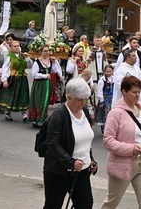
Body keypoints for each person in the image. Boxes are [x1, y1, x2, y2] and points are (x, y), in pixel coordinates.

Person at [100, 75, 141, 209]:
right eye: (134, 92)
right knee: (111, 202)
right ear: (124, 92)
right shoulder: (116, 113)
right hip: (123, 165)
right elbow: (108, 141)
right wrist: (130, 149)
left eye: (139, 92)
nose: (137, 95)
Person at [42, 77, 98, 209]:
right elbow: (53, 144)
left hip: (82, 170)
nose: (83, 103)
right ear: (69, 97)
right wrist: (71, 162)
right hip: (59, 171)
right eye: (79, 100)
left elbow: (85, 139)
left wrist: (91, 160)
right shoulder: (59, 115)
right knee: (53, 206)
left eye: (84, 99)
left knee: (85, 204)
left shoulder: (84, 112)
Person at [0, 40, 33, 122]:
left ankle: (24, 113)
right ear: (11, 48)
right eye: (15, 46)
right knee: (11, 95)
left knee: (23, 95)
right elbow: (5, 68)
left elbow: (30, 66)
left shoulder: (23, 56)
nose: (17, 48)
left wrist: (27, 58)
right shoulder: (10, 57)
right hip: (13, 78)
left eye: (18, 46)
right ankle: (8, 112)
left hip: (22, 79)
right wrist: (4, 80)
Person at [27, 45, 63, 127]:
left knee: (45, 101)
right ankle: (36, 120)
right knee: (38, 101)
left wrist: (55, 63)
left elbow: (55, 70)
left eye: (48, 51)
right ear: (41, 52)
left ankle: (42, 119)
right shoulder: (38, 62)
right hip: (39, 84)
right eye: (45, 51)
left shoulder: (50, 61)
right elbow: (34, 74)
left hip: (48, 84)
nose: (47, 53)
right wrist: (45, 76)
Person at [96, 64, 115, 132]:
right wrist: (101, 100)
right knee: (105, 112)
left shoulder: (114, 79)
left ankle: (111, 127)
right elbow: (100, 90)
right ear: (104, 72)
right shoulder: (102, 79)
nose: (108, 73)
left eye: (110, 71)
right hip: (105, 98)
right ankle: (104, 127)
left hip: (112, 98)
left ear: (112, 71)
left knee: (112, 113)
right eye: (107, 71)